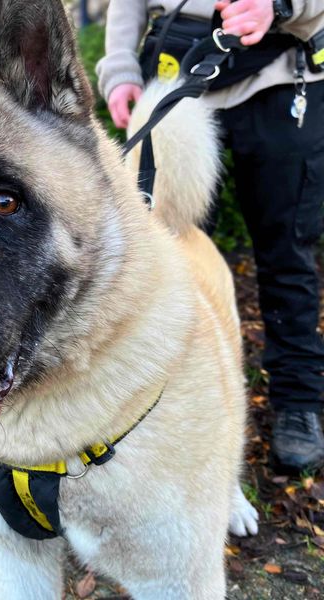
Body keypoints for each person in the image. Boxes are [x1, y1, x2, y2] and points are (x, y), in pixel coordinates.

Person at [97, 0, 324, 473]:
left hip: (284, 77)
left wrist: (282, 6)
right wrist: (119, 68)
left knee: (288, 254)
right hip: (180, 73)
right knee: (162, 250)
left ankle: (298, 403)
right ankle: (160, 398)